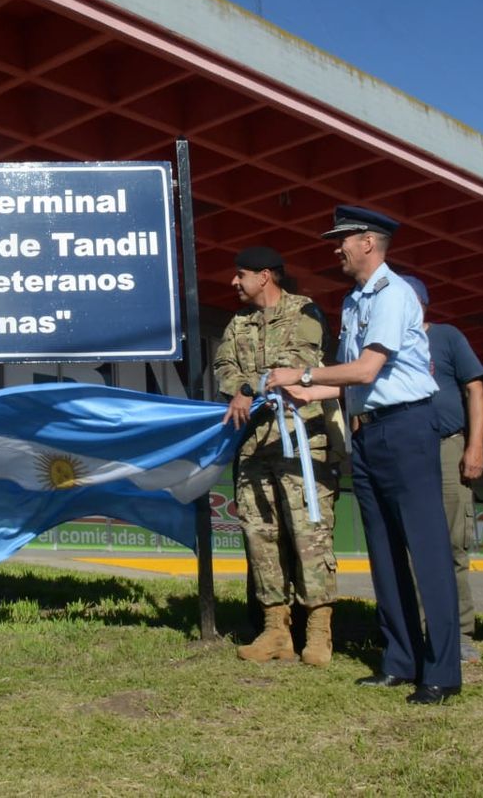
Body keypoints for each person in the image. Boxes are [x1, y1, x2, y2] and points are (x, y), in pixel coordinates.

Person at [264, 205, 460, 704]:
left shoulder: (394, 294)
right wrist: (311, 395)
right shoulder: (354, 302)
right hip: (369, 431)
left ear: (368, 243)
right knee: (384, 552)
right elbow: (352, 382)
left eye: (343, 240)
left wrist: (302, 377)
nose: (337, 248)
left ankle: (441, 671)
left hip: (407, 427)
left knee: (427, 552)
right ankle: (399, 660)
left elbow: (368, 369)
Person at [212, 246, 339, 667]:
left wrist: (247, 389)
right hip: (252, 445)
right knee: (260, 535)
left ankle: (319, 632)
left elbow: (296, 366)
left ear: (265, 275)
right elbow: (223, 369)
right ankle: (275, 630)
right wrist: (241, 387)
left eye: (241, 274)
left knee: (309, 533)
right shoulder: (238, 322)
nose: (235, 281)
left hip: (301, 441)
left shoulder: (305, 312)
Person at [403, 276, 483, 663]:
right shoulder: (386, 343)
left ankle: (460, 631)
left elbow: (475, 390)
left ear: (421, 303)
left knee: (453, 543)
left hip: (447, 446)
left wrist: (474, 445)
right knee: (409, 545)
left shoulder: (447, 336)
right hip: (406, 450)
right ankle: (416, 628)